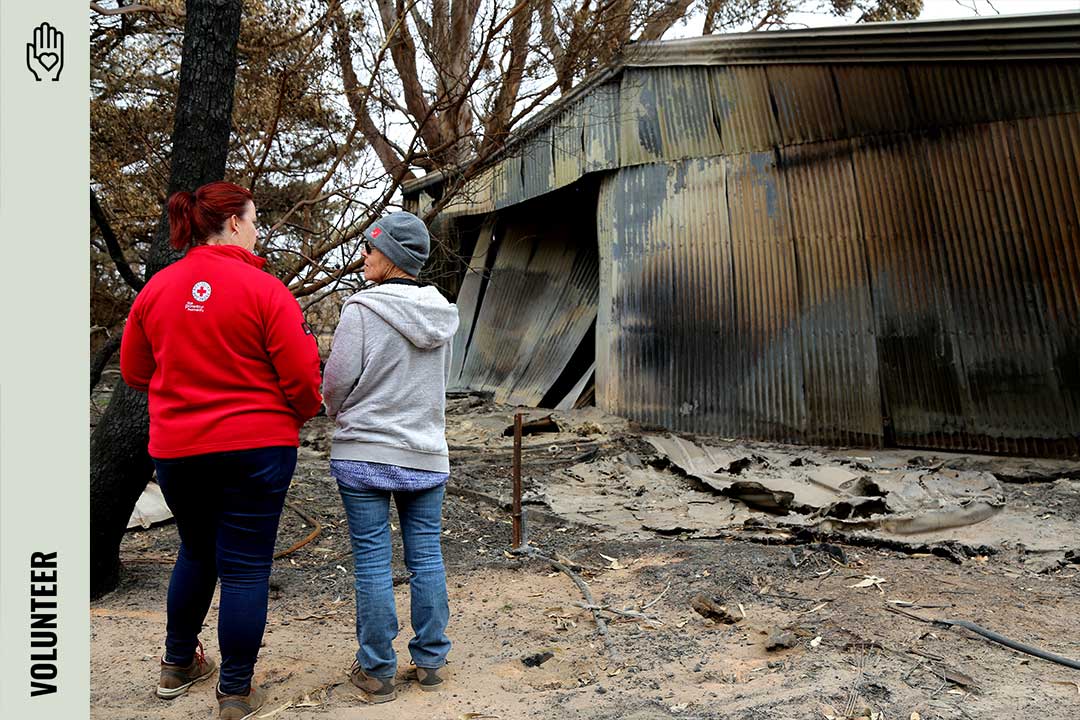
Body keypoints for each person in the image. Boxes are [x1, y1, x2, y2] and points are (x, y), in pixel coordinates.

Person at [120, 181, 323, 720]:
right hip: (257, 447)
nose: (258, 233)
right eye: (255, 221)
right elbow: (303, 377)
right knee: (245, 567)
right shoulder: (267, 291)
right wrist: (298, 413)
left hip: (179, 451)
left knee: (195, 550)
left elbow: (136, 371)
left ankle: (176, 663)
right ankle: (234, 692)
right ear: (233, 223)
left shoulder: (157, 290)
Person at [322, 211, 459, 703]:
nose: (363, 255)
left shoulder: (361, 311)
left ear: (393, 257)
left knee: (373, 563)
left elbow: (336, 382)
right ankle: (431, 662)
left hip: (364, 453)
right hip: (425, 453)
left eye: (370, 248)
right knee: (426, 557)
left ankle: (377, 672)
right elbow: (438, 386)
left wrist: (338, 414)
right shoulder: (442, 314)